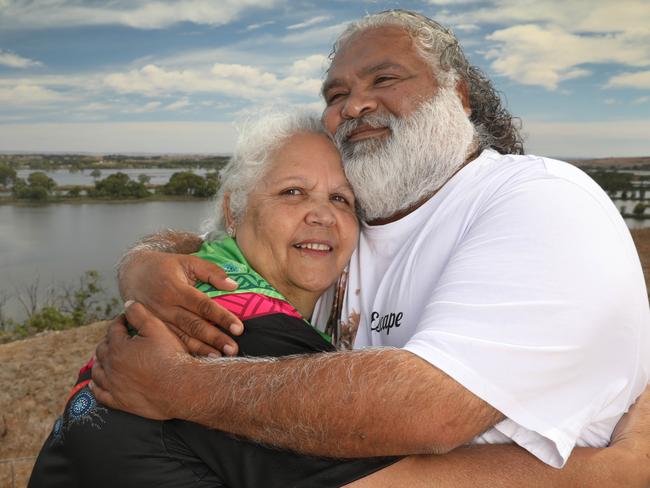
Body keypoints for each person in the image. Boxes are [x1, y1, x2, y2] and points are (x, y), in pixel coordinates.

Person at [92, 9, 650, 485]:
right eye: (337, 94)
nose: (355, 105)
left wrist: (179, 388)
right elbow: (233, 239)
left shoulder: (535, 197)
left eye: (384, 79)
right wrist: (143, 261)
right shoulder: (350, 230)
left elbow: (430, 410)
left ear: (456, 95)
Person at [29, 112, 400, 487]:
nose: (323, 215)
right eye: (293, 192)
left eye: (341, 199)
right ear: (232, 211)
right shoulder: (238, 331)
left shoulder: (188, 287)